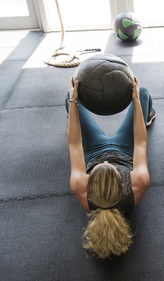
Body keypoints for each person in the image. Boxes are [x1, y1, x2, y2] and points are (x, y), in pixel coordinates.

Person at [66, 75, 155, 259]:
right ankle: (148, 114)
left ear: (88, 185)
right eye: (110, 167)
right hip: (125, 148)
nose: (106, 162)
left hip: (93, 150)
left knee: (69, 99)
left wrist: (74, 100)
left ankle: (72, 104)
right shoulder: (138, 183)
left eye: (101, 166)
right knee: (144, 93)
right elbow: (139, 142)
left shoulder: (79, 187)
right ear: (123, 186)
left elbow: (75, 144)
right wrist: (136, 100)